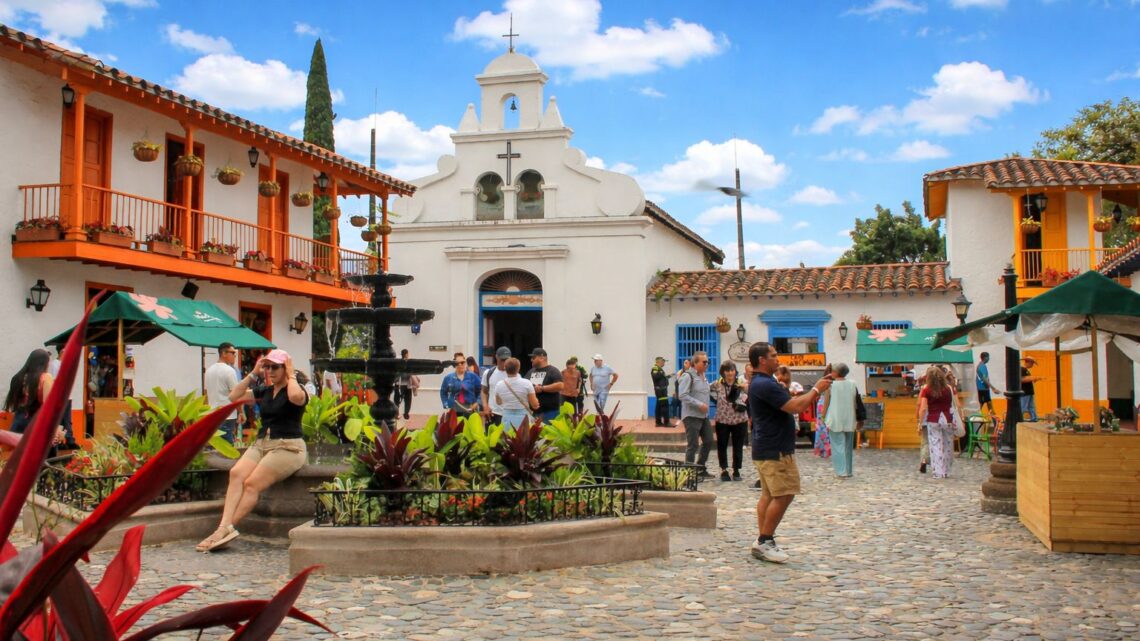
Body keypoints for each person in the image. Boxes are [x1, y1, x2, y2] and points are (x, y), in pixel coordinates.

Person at [197, 349, 308, 552]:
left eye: (275, 367)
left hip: (288, 447)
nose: (270, 371)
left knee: (251, 484)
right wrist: (253, 373)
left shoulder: (297, 389)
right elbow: (233, 396)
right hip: (261, 444)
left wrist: (291, 374)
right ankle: (223, 526)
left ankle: (226, 530)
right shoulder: (265, 390)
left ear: (285, 368)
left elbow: (295, 397)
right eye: (267, 366)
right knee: (236, 473)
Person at [748, 341, 832, 564]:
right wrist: (817, 389)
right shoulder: (764, 384)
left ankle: (763, 540)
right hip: (775, 449)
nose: (778, 359)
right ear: (762, 360)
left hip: (766, 446)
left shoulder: (760, 383)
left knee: (768, 494)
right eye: (774, 356)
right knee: (784, 494)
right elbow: (795, 406)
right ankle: (765, 540)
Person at [4, 348, 66, 449]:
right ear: (44, 363)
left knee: (19, 460)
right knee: (42, 461)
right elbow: (48, 407)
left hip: (19, 422)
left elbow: (12, 404)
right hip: (38, 424)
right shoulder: (45, 378)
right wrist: (56, 429)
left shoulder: (17, 378)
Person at [917, 366, 959, 479]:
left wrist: (920, 423)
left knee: (936, 445)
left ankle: (938, 471)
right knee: (948, 445)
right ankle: (946, 470)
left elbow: (923, 408)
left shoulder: (927, 390)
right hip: (948, 419)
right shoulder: (948, 388)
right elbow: (955, 404)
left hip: (933, 419)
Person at [678, 351, 713, 478]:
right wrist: (699, 404)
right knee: (693, 444)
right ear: (695, 363)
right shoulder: (688, 376)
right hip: (691, 415)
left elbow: (703, 391)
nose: (706, 364)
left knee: (708, 440)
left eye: (707, 361)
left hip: (703, 416)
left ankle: (700, 467)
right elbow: (682, 395)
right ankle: (688, 472)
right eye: (704, 362)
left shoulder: (703, 376)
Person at [712, 361, 748, 481]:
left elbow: (749, 394)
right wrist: (717, 402)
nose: (730, 373)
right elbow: (710, 393)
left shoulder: (741, 384)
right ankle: (724, 469)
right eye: (727, 370)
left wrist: (743, 401)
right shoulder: (717, 384)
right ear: (723, 372)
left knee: (738, 445)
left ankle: (736, 470)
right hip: (722, 419)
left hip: (739, 419)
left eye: (732, 370)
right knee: (722, 444)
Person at [822, 363, 859, 478]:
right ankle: (848, 470)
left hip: (835, 417)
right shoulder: (852, 384)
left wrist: (823, 416)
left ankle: (841, 471)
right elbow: (856, 401)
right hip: (849, 417)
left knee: (837, 445)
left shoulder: (831, 385)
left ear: (835, 373)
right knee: (848, 445)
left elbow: (826, 402)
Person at [204, 342, 242, 444]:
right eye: (233, 353)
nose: (235, 355)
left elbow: (208, 393)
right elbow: (235, 395)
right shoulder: (229, 371)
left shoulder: (209, 370)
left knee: (215, 446)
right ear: (224, 353)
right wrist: (242, 412)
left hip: (212, 414)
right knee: (227, 446)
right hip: (227, 415)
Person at [494, 357, 538, 429]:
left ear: (505, 368)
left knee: (508, 438)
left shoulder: (499, 385)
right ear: (518, 368)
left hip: (507, 416)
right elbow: (534, 404)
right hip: (523, 417)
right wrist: (537, 403)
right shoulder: (526, 383)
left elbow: (498, 402)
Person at [525, 348, 564, 423]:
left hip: (550, 412)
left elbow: (560, 385)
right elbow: (524, 385)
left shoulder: (553, 370)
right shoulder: (530, 372)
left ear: (542, 357)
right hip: (533, 413)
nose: (531, 360)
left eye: (533, 357)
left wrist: (542, 388)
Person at [481, 347, 511, 425]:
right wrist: (485, 406)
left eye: (507, 360)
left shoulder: (514, 374)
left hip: (509, 414)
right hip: (493, 414)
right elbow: (484, 391)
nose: (505, 363)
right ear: (496, 357)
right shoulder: (488, 373)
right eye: (502, 360)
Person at [812, 364, 833, 459]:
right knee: (827, 427)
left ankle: (822, 451)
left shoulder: (823, 380)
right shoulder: (832, 382)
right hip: (827, 403)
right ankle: (828, 450)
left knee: (821, 428)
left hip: (821, 403)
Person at [392, 349, 419, 420]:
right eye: (407, 354)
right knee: (405, 400)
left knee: (399, 400)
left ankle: (400, 413)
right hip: (403, 385)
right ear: (406, 354)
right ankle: (404, 413)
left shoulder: (400, 362)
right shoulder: (407, 363)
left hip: (402, 385)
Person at [975, 352, 1001, 417]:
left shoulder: (981, 365)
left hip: (984, 389)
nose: (989, 359)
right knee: (983, 405)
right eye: (988, 357)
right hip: (982, 389)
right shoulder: (982, 366)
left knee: (988, 404)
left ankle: (994, 420)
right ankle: (975, 419)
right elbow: (984, 379)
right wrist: (993, 388)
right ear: (985, 357)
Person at [1020, 356, 1042, 422]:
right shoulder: (1022, 369)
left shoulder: (1026, 370)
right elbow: (1022, 379)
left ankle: (1034, 419)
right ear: (1028, 362)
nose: (1032, 365)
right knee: (1023, 407)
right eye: (1032, 363)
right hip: (1025, 392)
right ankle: (1021, 420)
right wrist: (1033, 378)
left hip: (1029, 392)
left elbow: (1027, 379)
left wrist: (1034, 379)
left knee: (1031, 407)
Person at [651, 356, 671, 426]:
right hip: (661, 391)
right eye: (663, 361)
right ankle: (667, 422)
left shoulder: (660, 369)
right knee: (665, 405)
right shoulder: (655, 368)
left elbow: (661, 378)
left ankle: (658, 422)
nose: (664, 363)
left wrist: (668, 376)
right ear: (658, 362)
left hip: (661, 390)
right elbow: (655, 377)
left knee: (659, 406)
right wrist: (662, 374)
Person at [672, 359, 691, 426]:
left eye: (686, 363)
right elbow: (677, 382)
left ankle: (683, 416)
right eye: (684, 363)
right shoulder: (680, 372)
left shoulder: (692, 372)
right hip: (680, 390)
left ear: (690, 364)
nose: (684, 364)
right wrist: (675, 392)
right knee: (676, 400)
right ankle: (677, 416)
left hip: (688, 391)